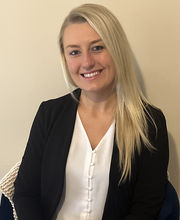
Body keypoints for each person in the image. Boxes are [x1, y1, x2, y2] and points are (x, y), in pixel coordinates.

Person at [13, 3, 169, 220]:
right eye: (75, 52)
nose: (86, 62)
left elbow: (146, 207)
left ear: (116, 49)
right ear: (65, 58)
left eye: (97, 47)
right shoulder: (49, 113)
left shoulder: (149, 123)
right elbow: (25, 193)